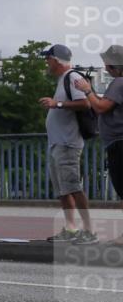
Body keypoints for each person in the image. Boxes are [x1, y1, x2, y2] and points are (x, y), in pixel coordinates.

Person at [39, 44, 97, 244]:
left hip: (68, 143)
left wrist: (57, 104)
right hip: (58, 144)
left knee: (73, 187)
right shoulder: (63, 79)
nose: (46, 62)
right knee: (63, 190)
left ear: (56, 60)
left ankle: (89, 230)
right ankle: (71, 229)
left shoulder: (72, 77)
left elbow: (86, 103)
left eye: (48, 59)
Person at [73, 44, 123, 246]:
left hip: (119, 143)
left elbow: (101, 107)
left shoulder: (119, 82)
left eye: (106, 65)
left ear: (113, 66)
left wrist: (87, 90)